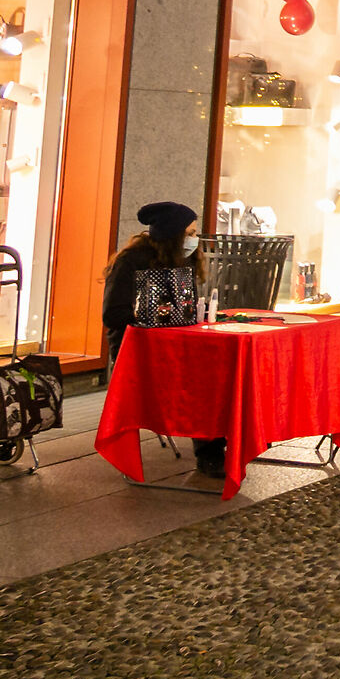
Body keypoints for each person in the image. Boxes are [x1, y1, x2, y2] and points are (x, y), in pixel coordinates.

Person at [102, 201, 224, 479]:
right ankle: (210, 451)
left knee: (217, 374)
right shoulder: (130, 262)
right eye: (190, 233)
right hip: (136, 349)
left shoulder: (184, 260)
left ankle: (222, 441)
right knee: (199, 383)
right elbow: (113, 314)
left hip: (176, 345)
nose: (195, 240)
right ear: (173, 235)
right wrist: (152, 318)